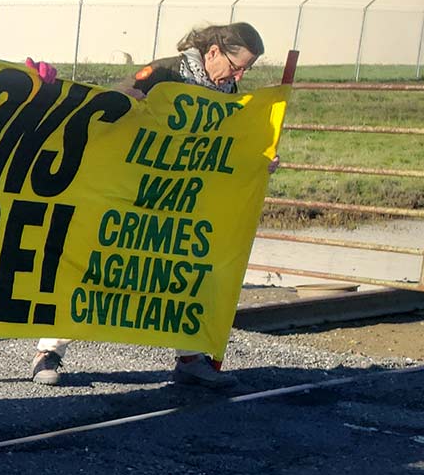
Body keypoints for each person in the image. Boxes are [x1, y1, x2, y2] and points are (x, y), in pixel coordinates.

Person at [31, 21, 266, 391]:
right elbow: (108, 103)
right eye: (237, 66)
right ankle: (49, 350)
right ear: (214, 52)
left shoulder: (228, 89)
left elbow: (229, 142)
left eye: (245, 70)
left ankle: (189, 358)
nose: (239, 75)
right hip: (131, 188)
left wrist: (257, 161)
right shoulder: (163, 73)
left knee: (183, 270)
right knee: (98, 264)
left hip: (181, 197)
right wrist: (128, 100)